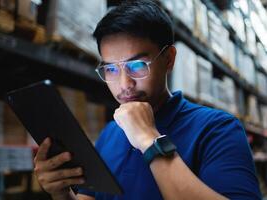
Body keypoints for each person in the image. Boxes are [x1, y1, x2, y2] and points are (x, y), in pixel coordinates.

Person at [33, 1, 262, 199]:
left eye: (137, 66)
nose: (124, 84)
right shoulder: (110, 133)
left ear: (169, 59)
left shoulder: (217, 129)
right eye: (111, 69)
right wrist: (62, 193)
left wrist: (149, 139)